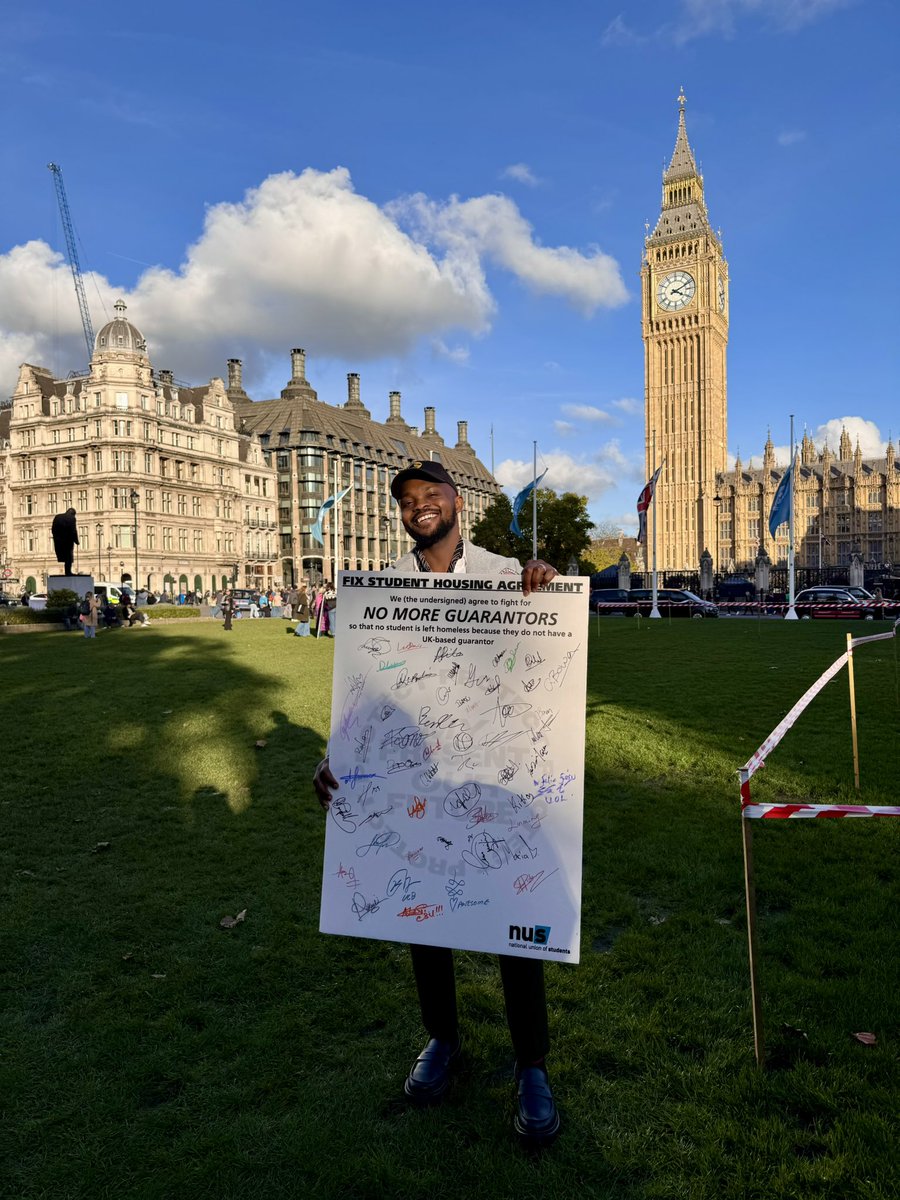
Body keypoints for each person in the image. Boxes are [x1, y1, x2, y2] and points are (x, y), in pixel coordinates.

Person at [313, 460, 561, 1146]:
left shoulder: (503, 572)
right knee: (422, 909)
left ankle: (532, 1064)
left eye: (430, 496)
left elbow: (547, 647)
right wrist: (335, 755)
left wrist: (542, 581)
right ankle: (443, 1040)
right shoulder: (384, 587)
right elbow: (364, 685)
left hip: (491, 767)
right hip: (414, 772)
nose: (419, 507)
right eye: (407, 501)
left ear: (457, 504)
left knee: (514, 910)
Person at [51, 508, 79, 576]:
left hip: (58, 541)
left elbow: (53, 529)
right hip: (67, 541)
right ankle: (68, 572)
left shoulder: (57, 517)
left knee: (65, 557)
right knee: (69, 557)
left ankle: (67, 572)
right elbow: (73, 530)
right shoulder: (72, 518)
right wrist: (76, 540)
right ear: (73, 514)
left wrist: (56, 537)